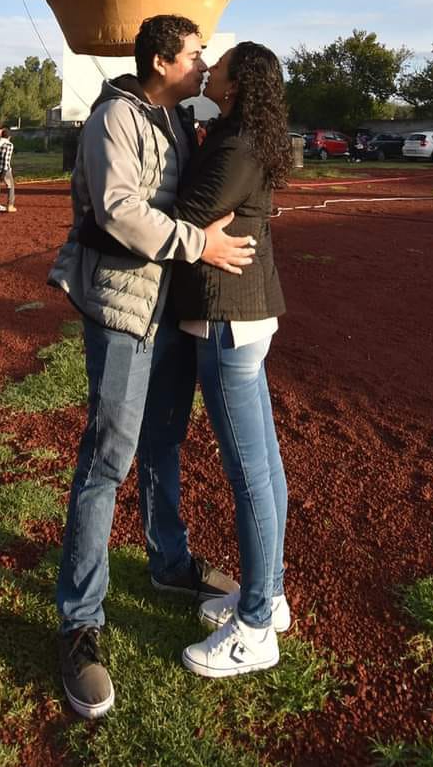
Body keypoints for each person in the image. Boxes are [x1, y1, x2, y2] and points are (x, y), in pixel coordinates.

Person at [48, 14, 256, 722]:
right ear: (163, 58)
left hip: (169, 308)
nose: (205, 63)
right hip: (123, 308)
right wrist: (200, 244)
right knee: (109, 457)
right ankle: (80, 620)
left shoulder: (176, 119)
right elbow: (116, 211)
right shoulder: (115, 116)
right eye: (196, 54)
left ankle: (168, 562)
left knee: (165, 442)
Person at [170, 42, 292, 679]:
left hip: (227, 318)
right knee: (264, 467)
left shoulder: (238, 144)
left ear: (239, 82)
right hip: (245, 315)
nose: (208, 69)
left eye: (216, 67)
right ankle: (266, 597)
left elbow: (186, 219)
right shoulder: (243, 134)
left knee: (249, 475)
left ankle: (254, 625)